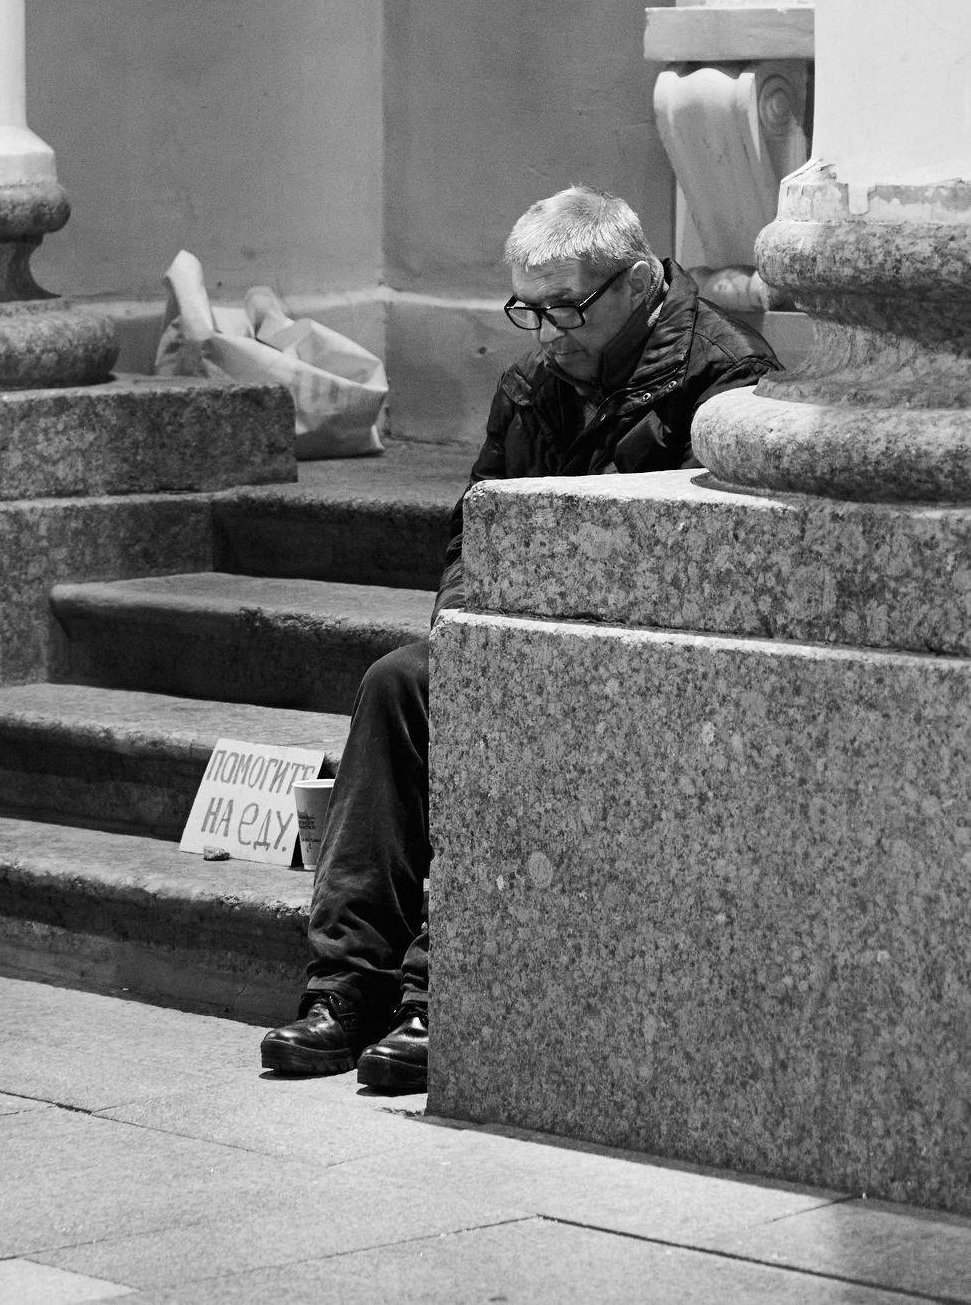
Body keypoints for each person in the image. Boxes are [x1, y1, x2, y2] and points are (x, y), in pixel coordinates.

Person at [260, 185, 780, 1093]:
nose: (546, 333)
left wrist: (515, 656)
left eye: (567, 307)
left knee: (518, 698)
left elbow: (704, 563)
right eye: (528, 310)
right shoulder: (534, 386)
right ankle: (348, 983)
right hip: (523, 631)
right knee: (401, 682)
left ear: (638, 283)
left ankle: (446, 991)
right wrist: (467, 634)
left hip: (653, 659)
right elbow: (472, 533)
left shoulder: (726, 382)